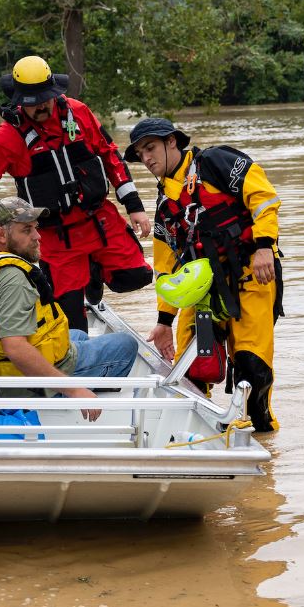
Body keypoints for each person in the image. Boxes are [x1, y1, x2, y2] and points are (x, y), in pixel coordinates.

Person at [0, 55, 154, 332]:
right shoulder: (5, 138)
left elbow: (109, 154)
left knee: (137, 277)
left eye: (45, 98)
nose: (41, 106)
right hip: (55, 237)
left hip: (99, 220)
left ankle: (93, 272)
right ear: (19, 101)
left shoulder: (79, 112)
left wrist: (134, 205)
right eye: (32, 102)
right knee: (72, 323)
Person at [124, 117, 283, 435]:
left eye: (150, 148)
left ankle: (264, 436)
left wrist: (265, 245)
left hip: (252, 274)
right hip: (204, 290)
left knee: (252, 366)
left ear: (172, 142)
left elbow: (264, 197)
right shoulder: (166, 205)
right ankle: (198, 436)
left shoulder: (215, 163)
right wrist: (164, 321)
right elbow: (167, 267)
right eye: (140, 154)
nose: (146, 158)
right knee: (191, 371)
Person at [0, 197, 140, 422]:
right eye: (27, 230)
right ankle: (90, 409)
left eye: (36, 228)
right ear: (2, 235)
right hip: (20, 384)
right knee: (126, 345)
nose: (38, 236)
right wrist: (74, 390)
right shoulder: (12, 279)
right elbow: (16, 348)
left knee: (77, 335)